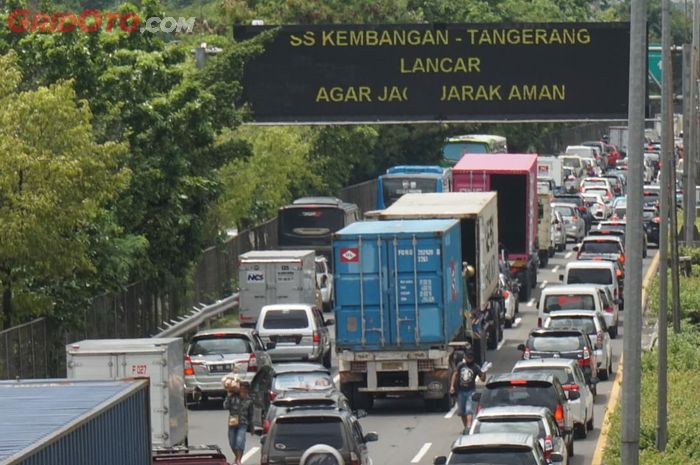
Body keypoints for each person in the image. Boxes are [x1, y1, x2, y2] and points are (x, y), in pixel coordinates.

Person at [449, 350, 485, 434]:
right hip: (460, 391)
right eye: (467, 357)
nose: (469, 359)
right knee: (461, 411)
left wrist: (484, 372)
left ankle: (469, 427)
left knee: (469, 410)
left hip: (470, 391)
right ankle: (466, 427)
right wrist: (452, 386)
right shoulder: (461, 365)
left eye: (470, 358)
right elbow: (455, 374)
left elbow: (483, 379)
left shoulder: (476, 367)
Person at [223, 380, 255, 465]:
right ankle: (237, 457)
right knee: (232, 442)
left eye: (245, 389)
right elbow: (225, 406)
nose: (243, 391)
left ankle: (238, 460)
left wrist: (252, 427)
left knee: (239, 441)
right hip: (232, 423)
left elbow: (251, 414)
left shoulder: (249, 400)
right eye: (241, 388)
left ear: (247, 390)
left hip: (243, 423)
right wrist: (228, 396)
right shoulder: (233, 397)